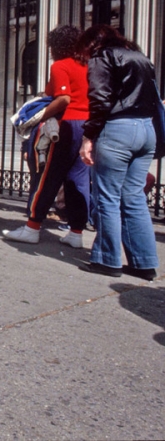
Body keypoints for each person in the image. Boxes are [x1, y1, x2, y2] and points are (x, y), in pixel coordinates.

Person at [78, 25, 159, 280]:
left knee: (107, 196)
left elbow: (100, 99)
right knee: (134, 197)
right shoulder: (141, 57)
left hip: (118, 128)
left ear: (92, 43)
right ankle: (143, 262)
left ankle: (107, 258)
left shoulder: (103, 56)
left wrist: (88, 136)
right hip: (146, 128)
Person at [3, 25, 89, 247]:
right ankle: (76, 232)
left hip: (66, 124)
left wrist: (39, 116)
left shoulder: (60, 65)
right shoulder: (88, 65)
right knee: (78, 179)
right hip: (87, 126)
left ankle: (32, 227)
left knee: (47, 176)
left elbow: (63, 99)